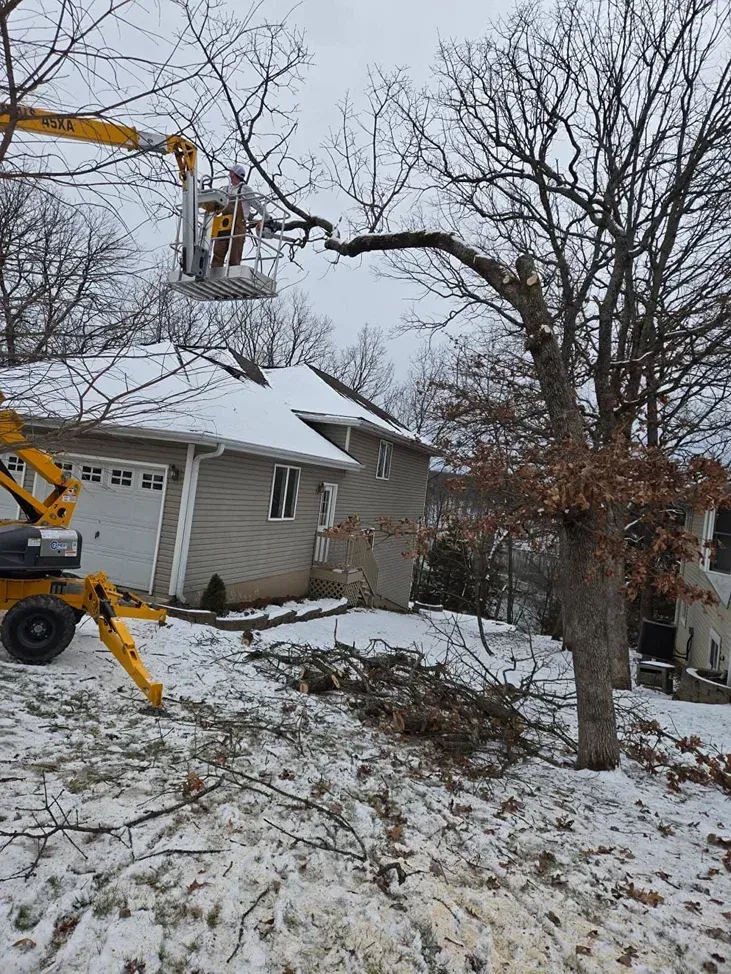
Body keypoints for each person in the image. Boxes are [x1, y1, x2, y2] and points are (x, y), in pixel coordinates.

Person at [211, 164, 263, 268]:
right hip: (224, 222)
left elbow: (257, 204)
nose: (229, 175)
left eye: (231, 173)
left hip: (239, 224)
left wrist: (266, 219)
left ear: (234, 174)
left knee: (235, 253)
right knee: (218, 250)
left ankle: (232, 271)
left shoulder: (245, 189)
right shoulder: (225, 189)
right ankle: (214, 271)